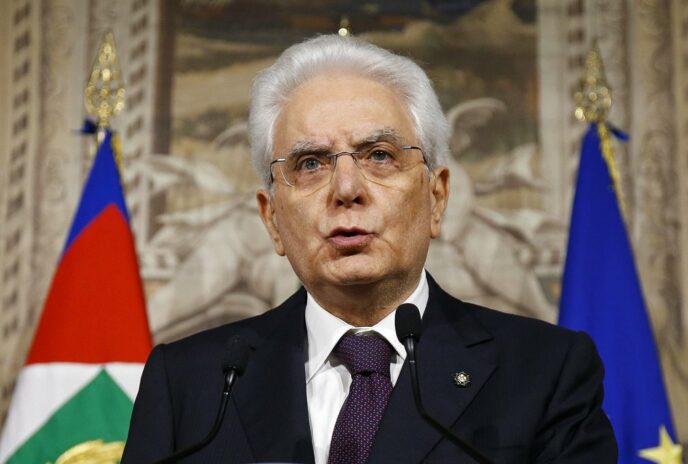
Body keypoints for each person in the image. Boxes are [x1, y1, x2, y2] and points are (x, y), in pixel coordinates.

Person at [122, 34, 617, 463]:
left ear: (437, 198)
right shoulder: (190, 384)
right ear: (272, 219)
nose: (346, 189)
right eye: (311, 163)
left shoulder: (544, 372)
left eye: (379, 155)